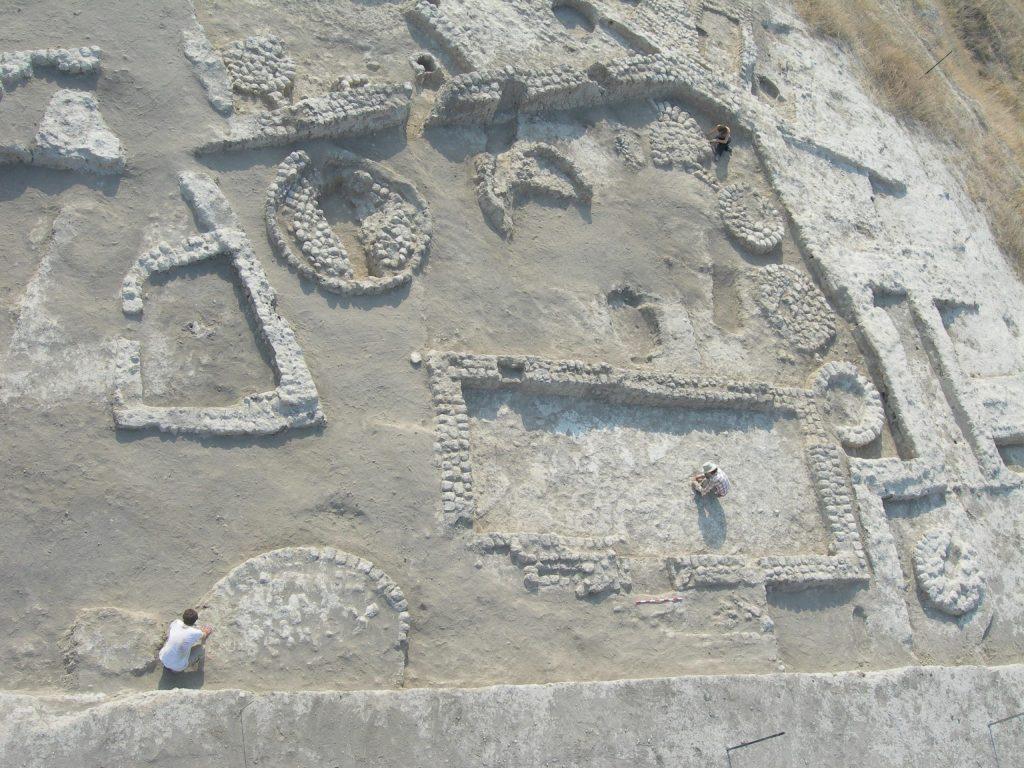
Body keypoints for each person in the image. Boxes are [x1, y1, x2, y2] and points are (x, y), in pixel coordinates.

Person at [158, 608, 213, 673]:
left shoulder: (176, 622)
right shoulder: (195, 633)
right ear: (195, 621)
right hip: (178, 667)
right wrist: (206, 630)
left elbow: (171, 629)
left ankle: (170, 665)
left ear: (183, 617)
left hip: (163, 659)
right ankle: (178, 670)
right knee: (201, 649)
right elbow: (205, 634)